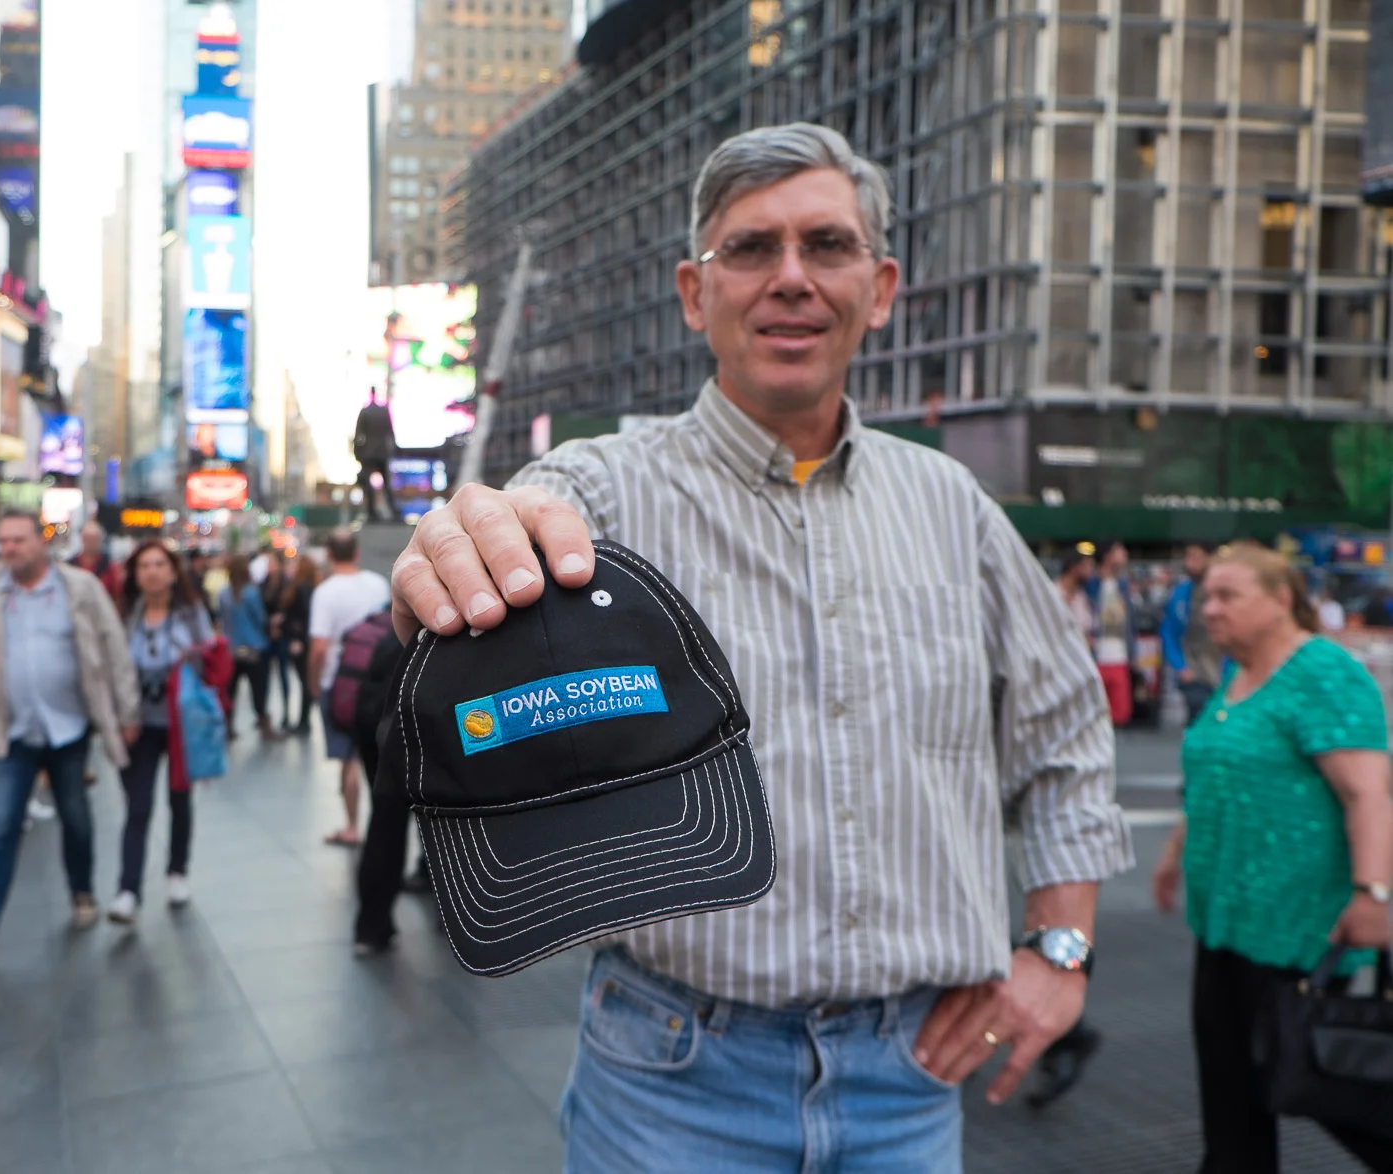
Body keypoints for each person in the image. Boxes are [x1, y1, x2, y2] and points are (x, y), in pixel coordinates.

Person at [387, 123, 1132, 1170]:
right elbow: (524, 515)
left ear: (879, 289)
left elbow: (1062, 734)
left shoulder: (950, 504)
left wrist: (1059, 946)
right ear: (696, 294)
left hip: (909, 1083)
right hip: (670, 1078)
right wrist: (468, 548)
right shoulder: (606, 484)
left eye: (824, 246)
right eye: (750, 248)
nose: (790, 278)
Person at [1152, 542, 1393, 1173]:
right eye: (1207, 596)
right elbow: (1220, 774)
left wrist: (1374, 894)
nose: (1211, 609)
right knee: (1232, 1094)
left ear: (1281, 599)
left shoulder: (1322, 672)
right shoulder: (1240, 672)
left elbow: (1368, 792)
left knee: (1317, 1078)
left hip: (1299, 926)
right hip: (1225, 921)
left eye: (1229, 595)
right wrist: (1176, 850)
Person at [0, 510, 140, 960]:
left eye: (19, 540)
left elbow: (114, 648)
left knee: (76, 817)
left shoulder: (79, 589)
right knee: (2, 826)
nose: (9, 549)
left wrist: (126, 710)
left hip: (68, 728)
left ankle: (82, 891)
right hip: (13, 731)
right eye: (3, 540)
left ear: (40, 543)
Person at [109, 541, 223, 925]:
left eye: (160, 564)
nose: (152, 572)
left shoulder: (192, 614)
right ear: (135, 574)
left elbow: (210, 659)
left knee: (179, 800)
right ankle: (128, 889)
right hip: (138, 724)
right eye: (144, 566)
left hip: (181, 723)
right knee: (137, 806)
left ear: (173, 572)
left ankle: (177, 872)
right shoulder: (127, 615)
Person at [308, 530, 390, 847]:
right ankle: (383, 822)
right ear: (356, 553)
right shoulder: (377, 584)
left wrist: (315, 683)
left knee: (348, 758)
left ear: (328, 555)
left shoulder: (325, 592)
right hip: (379, 682)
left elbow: (318, 647)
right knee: (382, 755)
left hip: (340, 685)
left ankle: (352, 825)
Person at [352, 621, 410, 953]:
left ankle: (371, 927)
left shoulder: (393, 631)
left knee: (384, 824)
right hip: (407, 734)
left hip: (374, 728)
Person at [1161, 542, 1225, 727]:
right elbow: (1169, 632)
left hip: (1220, 670)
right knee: (1198, 710)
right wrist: (1180, 666)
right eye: (1187, 557)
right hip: (1193, 669)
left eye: (1195, 557)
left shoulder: (1222, 591)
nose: (1189, 563)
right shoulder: (1180, 593)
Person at [219, 553, 276, 740]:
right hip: (254, 648)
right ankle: (263, 722)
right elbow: (260, 618)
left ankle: (228, 725)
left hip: (231, 648)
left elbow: (221, 619)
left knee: (231, 690)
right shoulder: (251, 593)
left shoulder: (224, 594)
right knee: (259, 688)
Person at [1087, 540, 1136, 727]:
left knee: (1120, 711)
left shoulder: (1123, 584)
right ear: (1107, 556)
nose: (1124, 555)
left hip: (1119, 653)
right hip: (1097, 653)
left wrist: (1133, 651)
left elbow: (1129, 622)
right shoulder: (1091, 584)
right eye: (1119, 551)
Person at [277, 554, 319, 734]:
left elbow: (302, 618)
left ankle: (304, 721)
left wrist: (296, 638)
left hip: (300, 643)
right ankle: (304, 720)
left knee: (304, 682)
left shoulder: (301, 589)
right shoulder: (309, 588)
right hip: (303, 641)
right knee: (305, 682)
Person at [353, 387, 399, 522]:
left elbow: (358, 435)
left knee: (369, 486)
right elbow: (391, 433)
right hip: (382, 453)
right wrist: (392, 451)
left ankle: (372, 512)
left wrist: (358, 453)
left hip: (369, 453)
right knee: (386, 484)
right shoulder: (383, 411)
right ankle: (393, 511)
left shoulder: (365, 411)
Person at [68, 521, 125, 602]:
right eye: (88, 538)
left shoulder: (110, 567)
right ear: (82, 539)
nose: (91, 543)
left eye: (94, 539)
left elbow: (117, 595)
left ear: (100, 540)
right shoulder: (70, 565)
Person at [1055, 550, 1096, 647]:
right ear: (1074, 567)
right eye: (1088, 566)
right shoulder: (1053, 593)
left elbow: (1086, 629)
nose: (1091, 571)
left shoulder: (1083, 597)